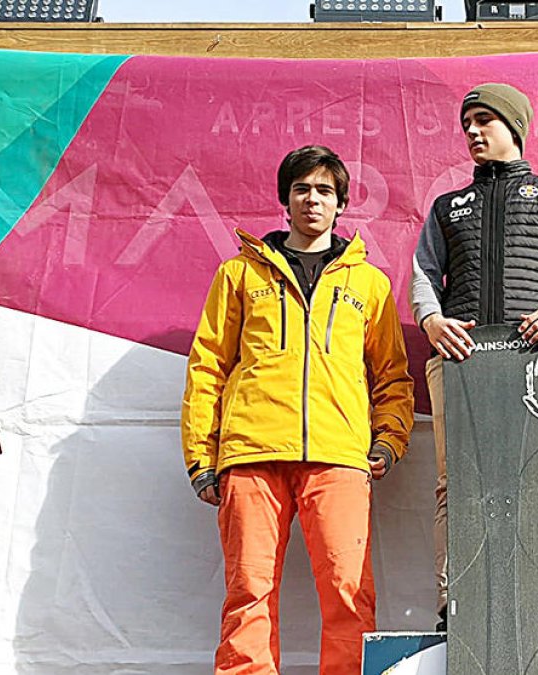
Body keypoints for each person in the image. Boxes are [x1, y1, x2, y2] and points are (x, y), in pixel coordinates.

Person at [181, 145, 414, 675]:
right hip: (251, 455)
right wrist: (201, 458)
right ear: (285, 200)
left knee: (350, 597)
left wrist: (388, 442)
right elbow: (207, 368)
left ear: (342, 203)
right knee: (248, 597)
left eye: (325, 191)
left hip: (339, 457)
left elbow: (393, 378)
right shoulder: (238, 275)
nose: (313, 199)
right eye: (302, 189)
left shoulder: (369, 285)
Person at [410, 83, 538, 627]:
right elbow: (424, 273)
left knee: (534, 480)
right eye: (467, 123)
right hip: (460, 358)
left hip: (537, 359)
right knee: (458, 481)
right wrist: (431, 320)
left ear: (513, 126)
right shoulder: (447, 206)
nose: (472, 132)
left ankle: (532, 598)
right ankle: (456, 605)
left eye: (484, 121)